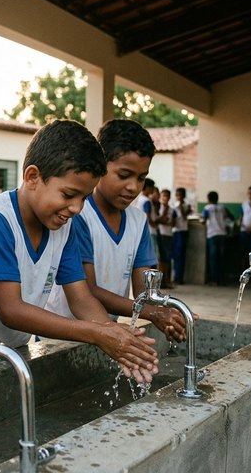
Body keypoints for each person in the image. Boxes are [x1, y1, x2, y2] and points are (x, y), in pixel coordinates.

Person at [0, 120, 158, 383]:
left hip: (1, 357)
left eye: (84, 198)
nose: (76, 207)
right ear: (32, 177)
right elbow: (12, 310)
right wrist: (97, 334)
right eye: (68, 194)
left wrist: (116, 336)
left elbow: (81, 298)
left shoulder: (64, 227)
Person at [46, 119, 186, 342]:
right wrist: (153, 313)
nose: (133, 187)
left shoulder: (138, 221)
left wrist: (169, 315)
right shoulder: (78, 215)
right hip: (63, 335)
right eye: (123, 175)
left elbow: (144, 294)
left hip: (108, 331)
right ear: (100, 167)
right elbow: (88, 290)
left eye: (141, 178)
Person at [201, 191, 234, 286]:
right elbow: (231, 217)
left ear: (208, 199)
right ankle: (221, 279)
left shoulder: (207, 208)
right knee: (221, 258)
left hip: (212, 235)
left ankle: (214, 280)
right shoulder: (222, 208)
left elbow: (203, 220)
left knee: (213, 258)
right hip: (222, 234)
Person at [156, 188, 176, 288]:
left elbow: (173, 223)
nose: (165, 198)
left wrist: (166, 220)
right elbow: (158, 220)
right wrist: (164, 218)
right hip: (160, 233)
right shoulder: (158, 207)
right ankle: (160, 282)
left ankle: (166, 280)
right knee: (160, 259)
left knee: (167, 258)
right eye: (163, 196)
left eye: (167, 196)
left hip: (168, 235)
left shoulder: (172, 210)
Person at [171, 187, 192, 284]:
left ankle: (180, 278)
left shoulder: (187, 205)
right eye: (177, 195)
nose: (179, 197)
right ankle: (175, 277)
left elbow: (185, 216)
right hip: (176, 231)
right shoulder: (173, 205)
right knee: (176, 255)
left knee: (181, 255)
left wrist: (181, 208)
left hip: (183, 231)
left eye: (181, 195)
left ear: (184, 196)